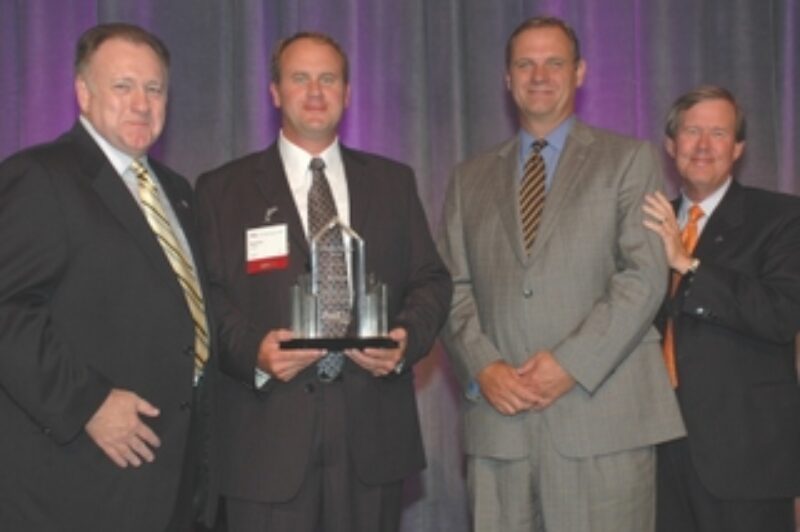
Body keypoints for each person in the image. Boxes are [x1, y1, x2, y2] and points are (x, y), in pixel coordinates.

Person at [194, 31, 452, 532]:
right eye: (300, 78)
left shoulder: (392, 182)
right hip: (265, 440)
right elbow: (207, 298)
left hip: (371, 437)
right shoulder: (222, 190)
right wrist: (253, 352)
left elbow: (431, 280)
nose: (315, 92)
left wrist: (405, 341)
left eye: (328, 79)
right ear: (274, 92)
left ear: (348, 92)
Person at [437, 16, 685, 532]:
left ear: (580, 73)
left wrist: (569, 363)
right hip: (499, 426)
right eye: (525, 64)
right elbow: (451, 289)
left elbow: (643, 276)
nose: (539, 75)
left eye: (554, 62)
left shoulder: (628, 160)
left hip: (602, 420)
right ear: (507, 79)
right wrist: (485, 369)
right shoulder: (468, 179)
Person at [0, 23, 217, 532]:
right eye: (122, 86)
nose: (141, 103)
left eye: (154, 88)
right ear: (83, 93)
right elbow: (6, 309)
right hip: (81, 480)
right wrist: (87, 403)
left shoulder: (178, 191)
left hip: (173, 478)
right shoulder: (40, 176)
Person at [642, 85, 800, 532]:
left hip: (746, 460)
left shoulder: (783, 217)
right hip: (656, 453)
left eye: (719, 133)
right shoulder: (644, 223)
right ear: (671, 146)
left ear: (739, 148)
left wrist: (688, 264)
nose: (704, 145)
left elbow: (782, 313)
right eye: (692, 132)